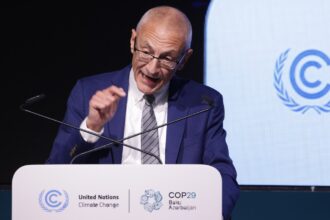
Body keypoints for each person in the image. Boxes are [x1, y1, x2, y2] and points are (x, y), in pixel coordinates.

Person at [47, 6, 239, 219]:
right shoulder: (88, 92)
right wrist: (91, 127)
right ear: (133, 41)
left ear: (184, 59)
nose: (152, 69)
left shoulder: (203, 104)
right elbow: (55, 171)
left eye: (167, 58)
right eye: (146, 52)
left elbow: (223, 176)